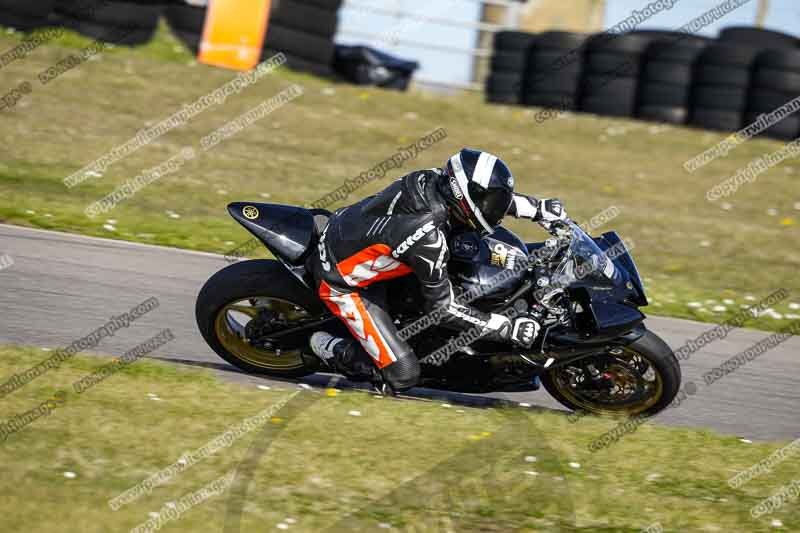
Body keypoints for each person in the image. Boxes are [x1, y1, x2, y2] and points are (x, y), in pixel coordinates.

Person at [306, 148, 567, 393]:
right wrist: (505, 328)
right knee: (403, 375)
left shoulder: (436, 179)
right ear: (463, 195)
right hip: (344, 282)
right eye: (491, 201)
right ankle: (325, 345)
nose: (496, 208)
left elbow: (479, 200)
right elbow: (442, 310)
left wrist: (537, 209)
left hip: (362, 237)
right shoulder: (428, 239)